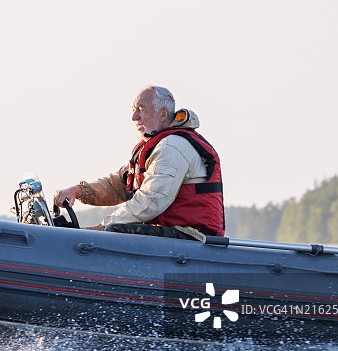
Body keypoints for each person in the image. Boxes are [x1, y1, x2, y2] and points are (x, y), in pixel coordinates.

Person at [53, 85, 224, 240]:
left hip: (190, 238)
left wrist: (102, 228)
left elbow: (150, 201)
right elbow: (118, 184)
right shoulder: (155, 147)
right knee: (116, 231)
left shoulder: (172, 148)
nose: (134, 117)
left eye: (141, 110)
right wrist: (79, 191)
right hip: (169, 236)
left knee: (114, 232)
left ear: (163, 114)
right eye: (134, 110)